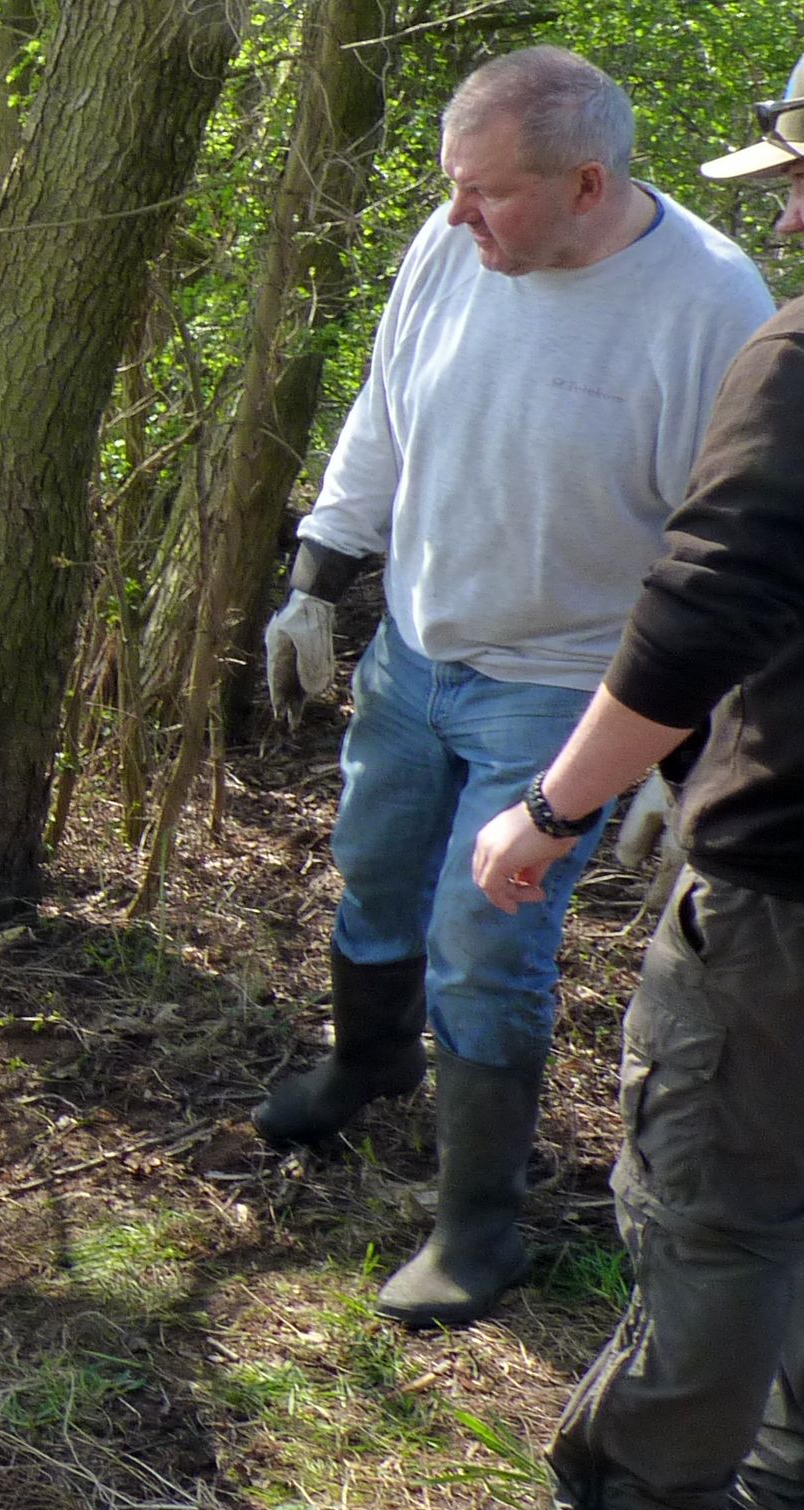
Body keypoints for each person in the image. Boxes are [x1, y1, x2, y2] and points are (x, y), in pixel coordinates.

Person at [249, 45, 774, 1329]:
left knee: (486, 947)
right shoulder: (455, 249)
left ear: (588, 182)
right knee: (373, 871)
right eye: (450, 185)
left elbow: (727, 551)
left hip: (558, 690)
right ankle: (367, 1061)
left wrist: (681, 748)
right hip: (416, 647)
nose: (454, 215)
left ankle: (477, 1226)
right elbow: (383, 404)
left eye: (486, 193)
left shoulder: (711, 305)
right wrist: (322, 566)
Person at [475, 65, 804, 1510]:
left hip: (781, 883)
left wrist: (557, 803)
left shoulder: (795, 352)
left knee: (714, 1208)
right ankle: (786, 1478)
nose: (790, 210)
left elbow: (700, 608)